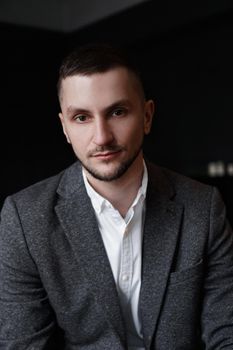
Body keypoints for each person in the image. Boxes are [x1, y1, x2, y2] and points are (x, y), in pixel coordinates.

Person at [0, 44, 233, 350]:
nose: (102, 137)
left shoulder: (203, 207)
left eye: (118, 112)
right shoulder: (23, 219)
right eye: (82, 117)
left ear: (147, 116)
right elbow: (23, 344)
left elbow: (226, 333)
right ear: (65, 128)